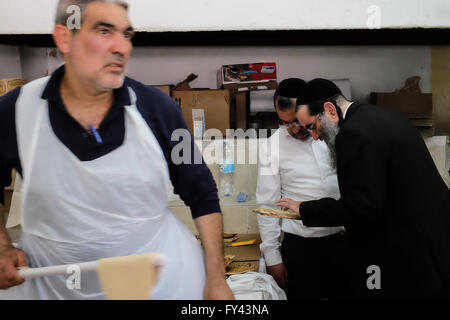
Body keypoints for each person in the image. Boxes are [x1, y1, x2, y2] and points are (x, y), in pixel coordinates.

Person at [0, 0, 234, 299]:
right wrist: (4, 247)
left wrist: (216, 280)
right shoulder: (16, 112)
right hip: (51, 285)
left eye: (126, 35)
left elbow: (202, 193)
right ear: (64, 37)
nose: (121, 47)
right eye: (104, 31)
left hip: (159, 283)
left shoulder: (159, 110)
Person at [277, 78, 450, 299]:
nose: (315, 136)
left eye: (312, 126)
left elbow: (361, 207)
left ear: (330, 110)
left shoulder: (352, 133)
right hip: (436, 241)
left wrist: (304, 209)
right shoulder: (385, 116)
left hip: (413, 251)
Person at [256, 78, 347, 300]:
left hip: (344, 242)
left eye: (296, 120)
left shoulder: (336, 134)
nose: (295, 129)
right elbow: (268, 205)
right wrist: (273, 258)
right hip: (302, 249)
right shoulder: (272, 146)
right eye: (285, 123)